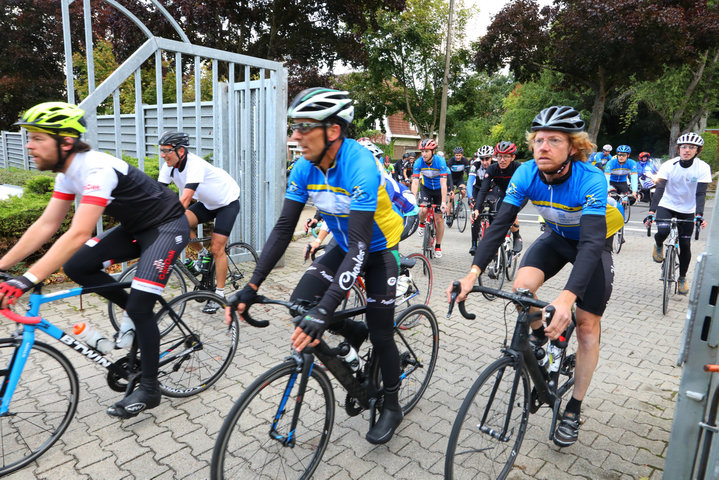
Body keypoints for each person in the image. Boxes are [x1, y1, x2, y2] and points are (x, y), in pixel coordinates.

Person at [226, 87, 406, 444]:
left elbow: (360, 245)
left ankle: (391, 404)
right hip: (344, 245)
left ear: (333, 131)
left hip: (378, 248)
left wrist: (327, 309)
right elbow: (282, 230)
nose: (295, 136)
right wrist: (252, 285)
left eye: (304, 127)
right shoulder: (304, 167)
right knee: (300, 307)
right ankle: (352, 333)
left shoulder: (360, 166)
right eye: (294, 127)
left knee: (381, 330)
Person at [0, 102, 190, 418]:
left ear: (66, 141)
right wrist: (4, 266)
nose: (29, 145)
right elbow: (45, 225)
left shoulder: (96, 169)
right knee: (77, 266)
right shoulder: (67, 175)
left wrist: (27, 279)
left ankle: (150, 388)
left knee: (142, 307)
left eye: (36, 138)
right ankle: (136, 307)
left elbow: (78, 233)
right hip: (135, 229)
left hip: (167, 226)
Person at [448, 105, 624, 448]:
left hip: (592, 244)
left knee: (587, 325)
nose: (543, 147)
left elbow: (590, 244)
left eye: (553, 140)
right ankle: (543, 345)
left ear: (573, 147)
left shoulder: (591, 178)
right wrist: (471, 274)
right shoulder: (525, 173)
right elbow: (499, 225)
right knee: (521, 290)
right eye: (538, 140)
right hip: (555, 239)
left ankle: (573, 408)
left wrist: (566, 297)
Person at [157, 131, 240, 314]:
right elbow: (158, 194)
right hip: (208, 204)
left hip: (227, 202)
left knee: (217, 249)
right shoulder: (168, 166)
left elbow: (185, 199)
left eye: (166, 151)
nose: (163, 155)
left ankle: (219, 294)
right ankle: (203, 254)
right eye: (161, 150)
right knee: (181, 225)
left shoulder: (194, 165)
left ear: (181, 151)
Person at [644, 133, 711, 295]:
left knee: (685, 245)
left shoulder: (702, 168)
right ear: (679, 149)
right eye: (684, 147)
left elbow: (701, 194)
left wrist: (699, 214)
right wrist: (652, 211)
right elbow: (659, 189)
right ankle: (659, 244)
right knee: (663, 231)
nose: (687, 150)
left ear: (697, 151)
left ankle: (682, 278)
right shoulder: (669, 165)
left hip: (688, 210)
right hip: (667, 204)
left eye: (692, 147)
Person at [471, 141, 523, 254]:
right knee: (497, 216)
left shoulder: (518, 168)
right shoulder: (492, 169)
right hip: (503, 193)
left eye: (506, 157)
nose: (502, 160)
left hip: (519, 195)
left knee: (511, 215)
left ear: (512, 157)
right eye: (499, 156)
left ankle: (516, 236)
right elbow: (483, 189)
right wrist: (476, 208)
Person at [411, 139, 450, 258]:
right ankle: (422, 224)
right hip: (426, 188)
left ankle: (438, 246)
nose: (424, 154)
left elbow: (444, 183)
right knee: (422, 210)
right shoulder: (418, 163)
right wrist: (412, 200)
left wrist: (443, 202)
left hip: (439, 190)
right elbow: (415, 182)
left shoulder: (440, 162)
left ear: (433, 151)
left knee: (439, 219)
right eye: (422, 151)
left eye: (427, 151)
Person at [468, 145, 495, 255]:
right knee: (476, 215)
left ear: (491, 157)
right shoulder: (475, 165)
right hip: (478, 189)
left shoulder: (496, 164)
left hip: (492, 189)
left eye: (487, 159)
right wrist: (470, 198)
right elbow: (470, 182)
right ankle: (474, 244)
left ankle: (493, 242)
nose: (484, 162)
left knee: (494, 211)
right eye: (482, 159)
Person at [447, 146, 471, 214]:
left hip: (459, 179)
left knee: (463, 191)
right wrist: (451, 187)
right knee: (451, 196)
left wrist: (469, 182)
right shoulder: (451, 161)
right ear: (454, 155)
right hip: (451, 178)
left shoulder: (465, 161)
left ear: (462, 155)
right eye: (456, 155)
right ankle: (448, 215)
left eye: (459, 155)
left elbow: (469, 172)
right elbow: (448, 174)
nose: (458, 157)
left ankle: (459, 202)